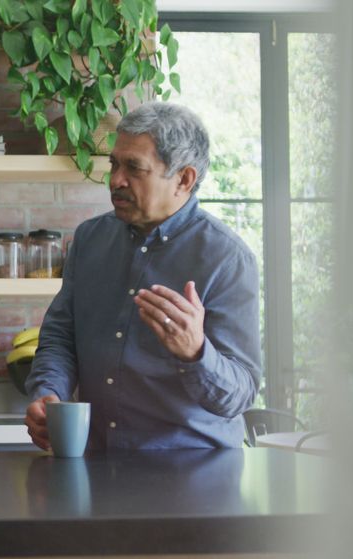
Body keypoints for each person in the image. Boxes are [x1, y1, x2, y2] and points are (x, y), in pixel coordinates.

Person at [24, 102, 262, 450]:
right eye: (114, 164)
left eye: (134, 168)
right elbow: (61, 336)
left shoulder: (227, 259)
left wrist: (195, 353)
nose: (116, 180)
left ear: (184, 179)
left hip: (197, 479)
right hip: (98, 469)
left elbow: (239, 395)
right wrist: (49, 392)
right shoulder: (90, 239)